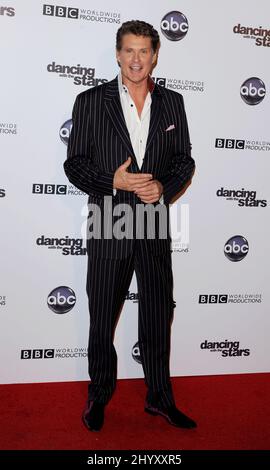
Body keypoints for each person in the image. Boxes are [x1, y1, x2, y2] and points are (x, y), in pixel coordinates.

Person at [64, 20, 196, 431]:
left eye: (144, 51)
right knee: (102, 317)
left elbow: (184, 162)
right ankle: (98, 395)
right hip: (109, 218)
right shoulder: (90, 101)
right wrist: (113, 181)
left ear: (155, 55)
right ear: (118, 54)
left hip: (153, 220)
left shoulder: (173, 102)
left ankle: (159, 397)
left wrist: (163, 187)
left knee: (157, 315)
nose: (136, 59)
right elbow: (75, 165)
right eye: (129, 51)